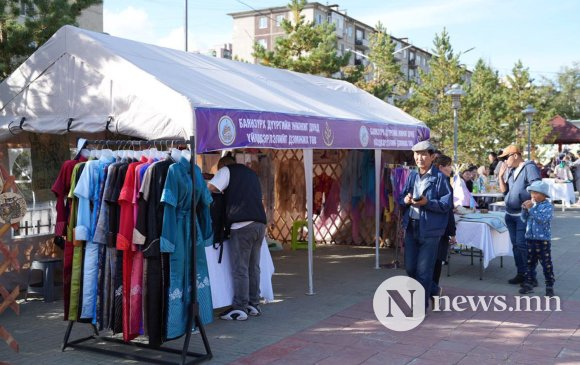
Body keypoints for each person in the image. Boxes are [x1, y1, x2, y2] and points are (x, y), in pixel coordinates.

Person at [208, 155, 267, 321]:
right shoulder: (251, 173)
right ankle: (253, 303)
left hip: (241, 225)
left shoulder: (226, 171)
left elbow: (210, 188)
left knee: (240, 268)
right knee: (253, 267)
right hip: (259, 223)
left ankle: (240, 307)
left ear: (222, 166)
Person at [399, 141, 453, 310]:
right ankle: (434, 289)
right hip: (411, 227)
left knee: (423, 271)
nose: (419, 158)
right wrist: (405, 200)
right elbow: (401, 197)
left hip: (431, 230)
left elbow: (446, 204)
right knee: (410, 268)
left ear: (432, 157)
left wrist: (427, 203)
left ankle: (419, 307)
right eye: (416, 154)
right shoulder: (412, 176)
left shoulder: (440, 178)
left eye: (423, 154)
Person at [498, 145, 541, 285]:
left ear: (515, 155)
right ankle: (521, 273)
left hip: (522, 214)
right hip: (510, 214)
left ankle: (530, 276)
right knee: (516, 246)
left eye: (506, 157)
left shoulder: (529, 167)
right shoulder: (511, 170)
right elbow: (505, 191)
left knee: (523, 245)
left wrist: (531, 202)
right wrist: (500, 176)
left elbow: (538, 186)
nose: (504, 161)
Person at [519, 181, 555, 297]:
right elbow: (524, 219)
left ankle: (549, 285)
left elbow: (542, 219)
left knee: (546, 264)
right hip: (530, 239)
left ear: (544, 195)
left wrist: (531, 209)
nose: (533, 196)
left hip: (542, 240)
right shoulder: (532, 204)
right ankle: (529, 283)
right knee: (530, 263)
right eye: (532, 193)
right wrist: (524, 209)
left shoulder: (548, 206)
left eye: (536, 193)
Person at [431, 155, 456, 299]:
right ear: (441, 167)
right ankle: (433, 289)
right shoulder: (445, 183)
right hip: (441, 227)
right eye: (449, 165)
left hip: (431, 226)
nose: (451, 168)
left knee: (433, 260)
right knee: (437, 260)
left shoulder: (431, 179)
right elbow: (448, 211)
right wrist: (452, 232)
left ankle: (432, 288)